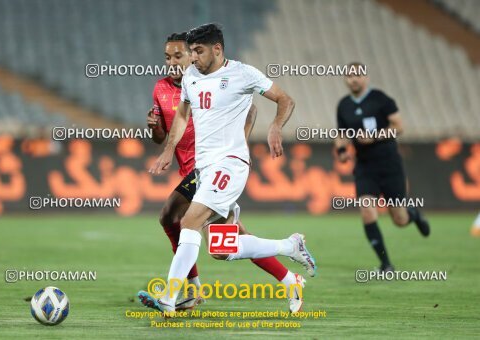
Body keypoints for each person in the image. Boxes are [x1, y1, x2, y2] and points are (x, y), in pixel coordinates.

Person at [138, 24, 316, 313]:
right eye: (191, 52)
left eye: (198, 51)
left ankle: (169, 298)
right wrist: (169, 149)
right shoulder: (192, 77)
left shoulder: (243, 74)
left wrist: (275, 127)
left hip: (230, 165)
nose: (192, 58)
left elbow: (285, 99)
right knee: (223, 249)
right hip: (203, 169)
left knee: (187, 221)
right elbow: (182, 115)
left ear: (217, 49)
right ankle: (289, 248)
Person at [335, 62, 430, 272]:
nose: (354, 79)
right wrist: (342, 151)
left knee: (399, 219)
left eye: (358, 75)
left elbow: (399, 126)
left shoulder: (381, 99)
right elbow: (341, 135)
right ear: (345, 80)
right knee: (367, 212)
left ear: (366, 78)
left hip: (389, 164)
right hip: (365, 167)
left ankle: (413, 215)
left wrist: (375, 137)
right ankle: (386, 263)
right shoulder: (343, 105)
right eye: (350, 76)